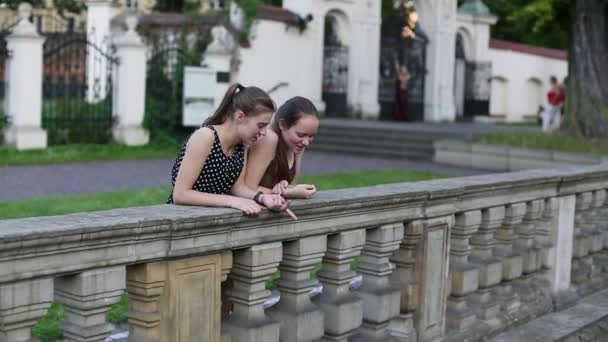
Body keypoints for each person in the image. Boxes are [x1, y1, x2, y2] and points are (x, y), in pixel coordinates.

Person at [167, 83, 289, 216]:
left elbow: (238, 188)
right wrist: (232, 201)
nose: (264, 133)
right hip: (182, 220)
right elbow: (180, 194)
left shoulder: (242, 145)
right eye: (261, 125)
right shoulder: (206, 137)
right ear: (240, 117)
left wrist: (262, 197)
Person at [245, 96, 319, 199]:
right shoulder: (268, 139)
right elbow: (247, 189)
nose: (306, 142)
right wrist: (286, 192)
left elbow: (292, 186)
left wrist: (284, 186)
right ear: (282, 125)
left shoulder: (298, 146)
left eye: (311, 136)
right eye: (301, 135)